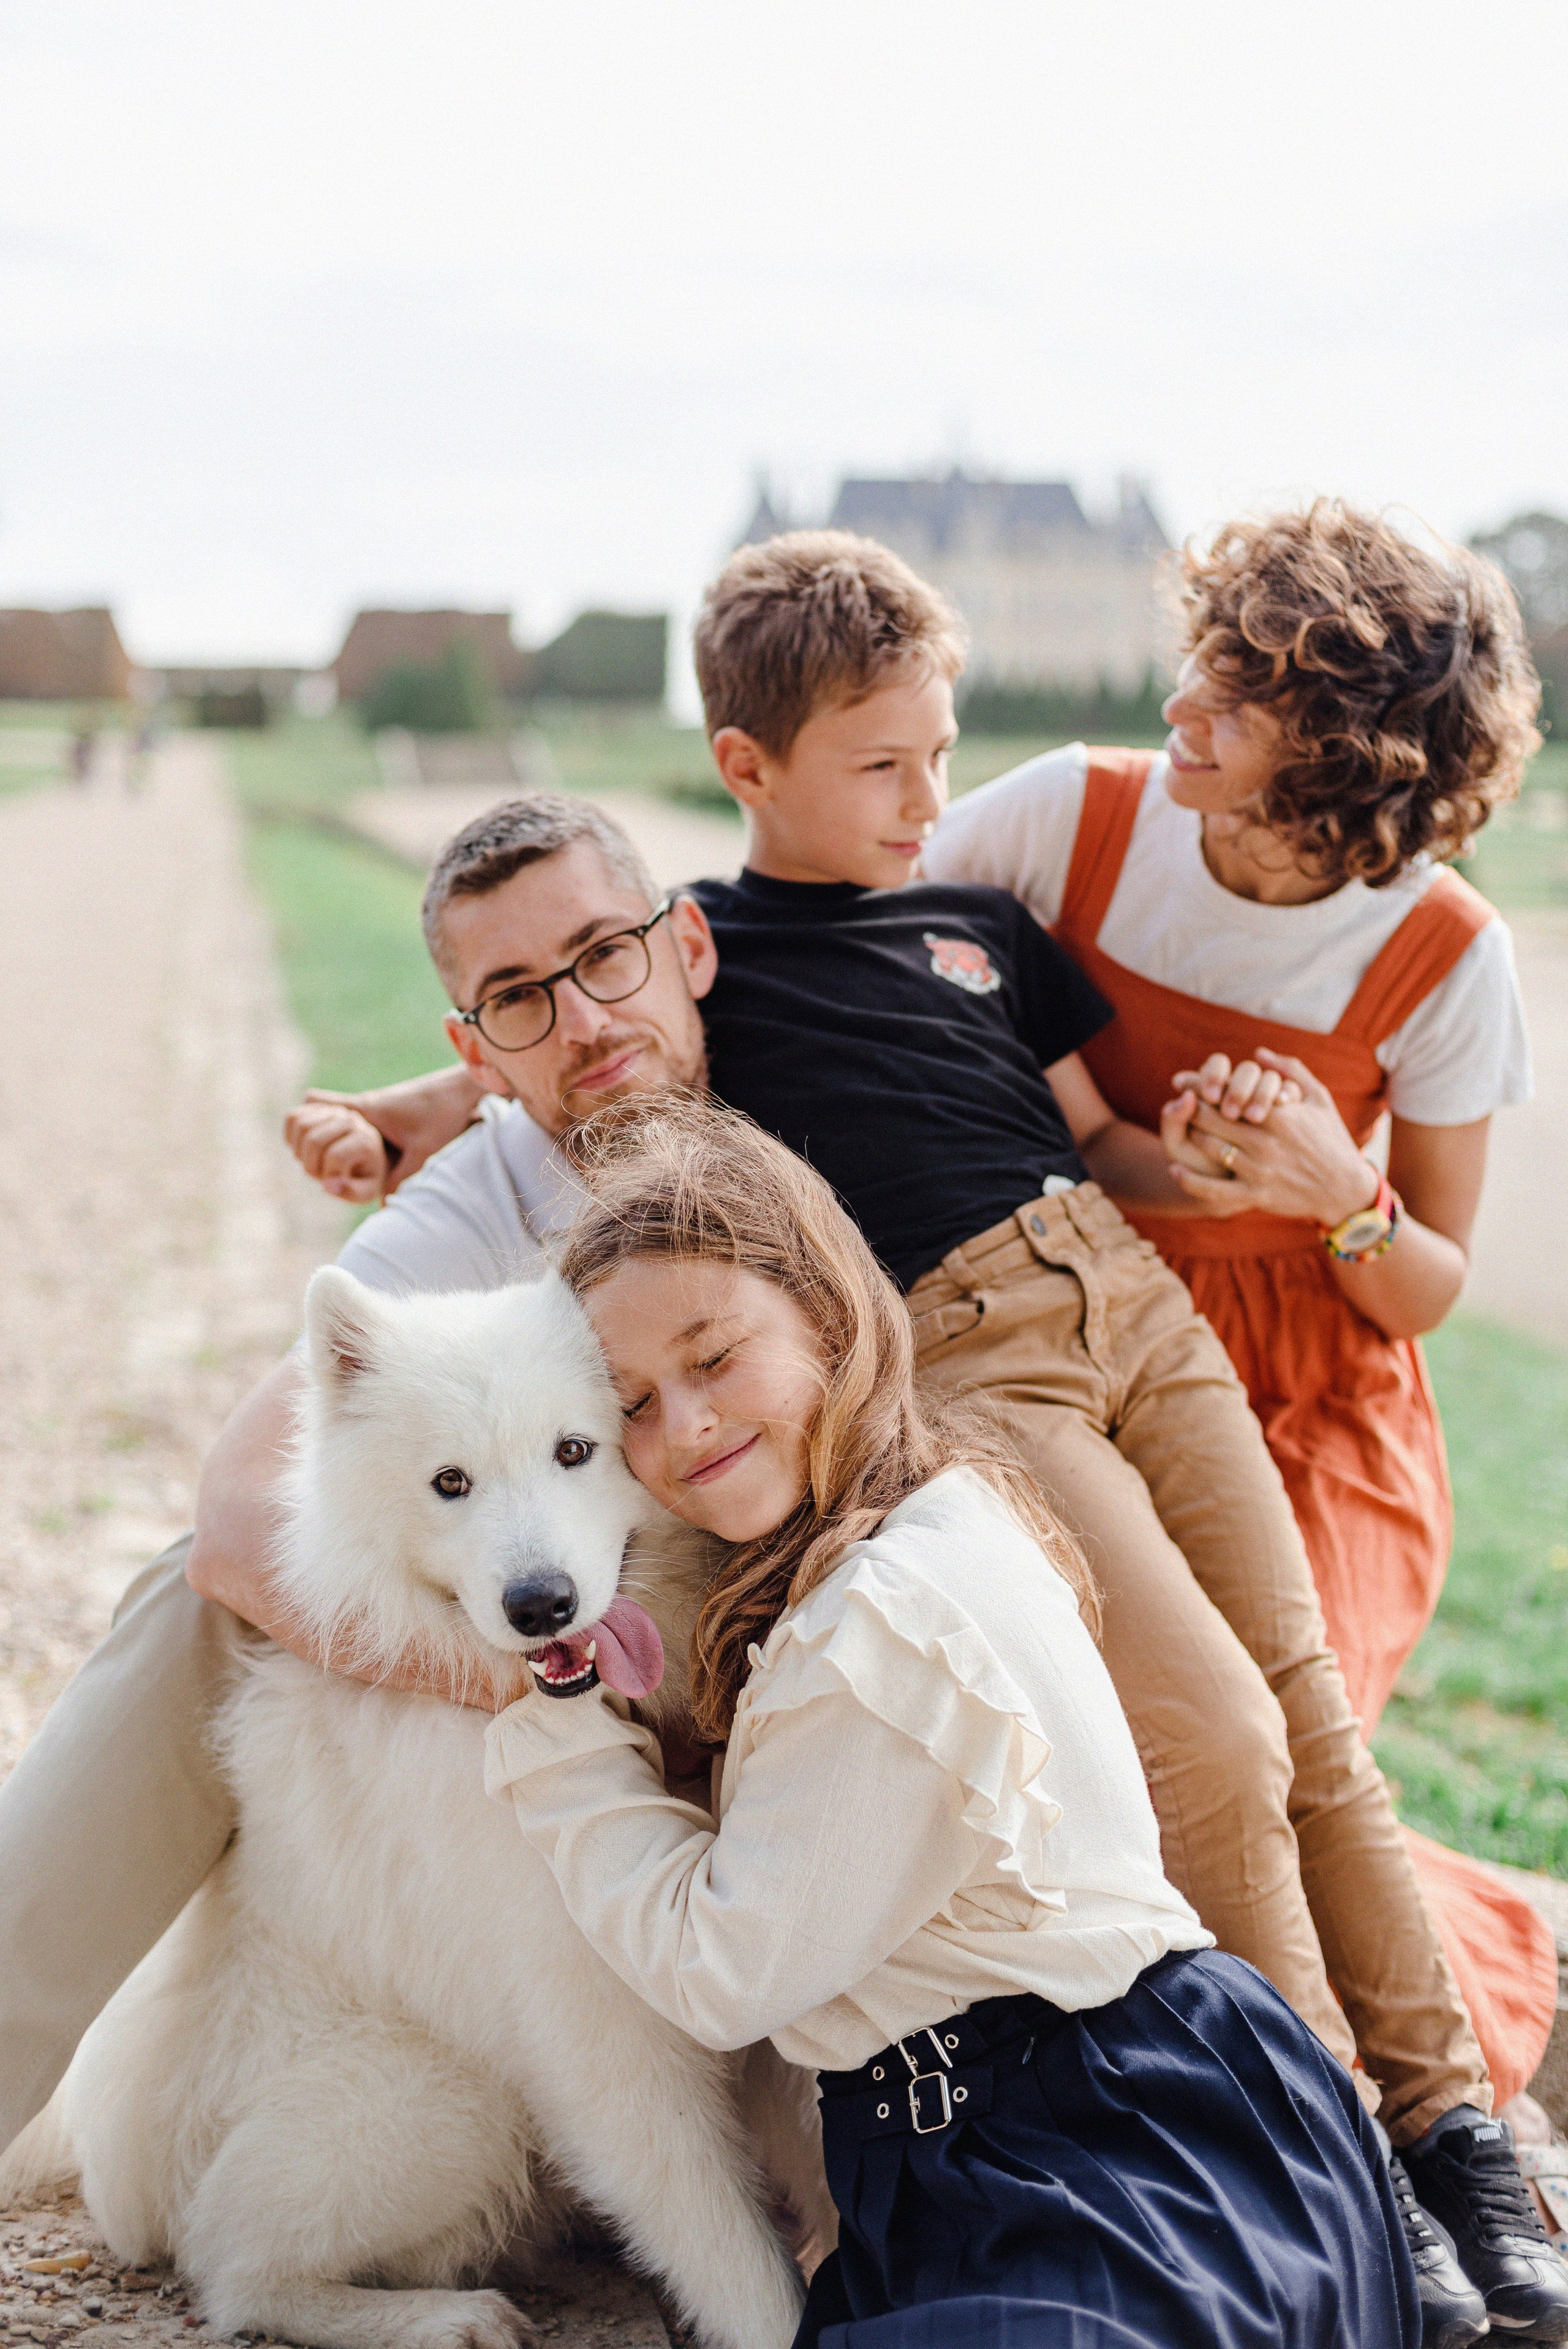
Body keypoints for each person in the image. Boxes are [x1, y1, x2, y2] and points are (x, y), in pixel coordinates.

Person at [1, 541, 1553, 2337]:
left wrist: (1290, 1189)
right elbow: (231, 1518)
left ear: (688, 939)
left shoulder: (827, 988)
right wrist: (526, 1673)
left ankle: (1406, 2111)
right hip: (667, 1611)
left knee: (1221, 1746)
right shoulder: (497, 1187)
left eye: (605, 961)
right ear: (479, 1046)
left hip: (876, 1550)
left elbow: (978, 1017)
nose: (584, 1023)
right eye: (520, 1004)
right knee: (203, 1605)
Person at [486, 1093, 1422, 2347]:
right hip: (1159, 2119)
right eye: (632, 1405)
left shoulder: (880, 1624)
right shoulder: (933, 1507)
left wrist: (557, 1733)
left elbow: (721, 1970)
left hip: (1098, 2167)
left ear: (827, 1315)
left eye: (713, 1359)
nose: (684, 1425)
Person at [920, 500, 1561, 2203]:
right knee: (1136, 1763)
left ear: (1347, 757)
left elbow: (1426, 1281)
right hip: (1092, 1342)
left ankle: (1435, 2041)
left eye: (1241, 688)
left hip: (1329, 1392)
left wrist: (1336, 1190)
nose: (1182, 701)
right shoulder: (1075, 813)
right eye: (1202, 655)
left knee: (1276, 1772)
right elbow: (839, 933)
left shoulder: (1444, 953)